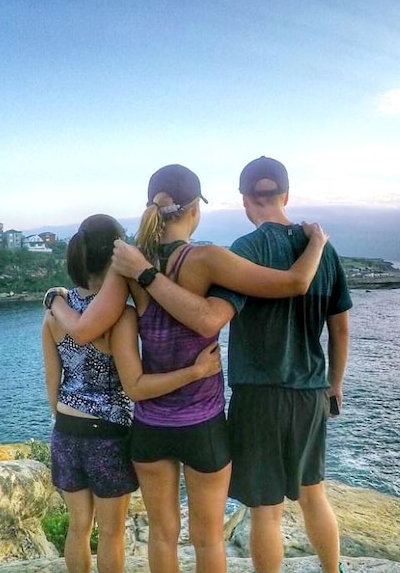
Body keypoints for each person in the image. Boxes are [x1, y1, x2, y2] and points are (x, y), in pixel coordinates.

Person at [47, 164, 328, 573]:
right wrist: (317, 243)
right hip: (203, 425)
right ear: (194, 209)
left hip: (150, 427)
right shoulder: (209, 259)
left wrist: (55, 299)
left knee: (162, 534)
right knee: (208, 537)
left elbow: (86, 330)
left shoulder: (130, 267)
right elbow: (294, 283)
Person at [210, 156, 352, 573]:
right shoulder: (322, 250)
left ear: (245, 200)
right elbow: (340, 330)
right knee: (314, 494)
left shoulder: (246, 250)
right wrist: (335, 383)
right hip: (310, 391)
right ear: (285, 195)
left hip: (259, 396)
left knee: (265, 511)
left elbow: (217, 316)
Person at [41, 214, 138, 573]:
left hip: (66, 430)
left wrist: (65, 418)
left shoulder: (55, 313)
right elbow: (131, 385)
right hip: (108, 433)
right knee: (112, 533)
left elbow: (53, 383)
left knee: (78, 528)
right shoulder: (120, 317)